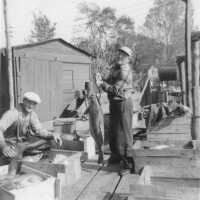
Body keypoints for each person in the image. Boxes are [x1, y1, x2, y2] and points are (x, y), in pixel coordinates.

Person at [96, 46, 134, 172]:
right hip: (114, 103)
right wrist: (101, 78)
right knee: (114, 131)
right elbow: (110, 80)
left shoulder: (125, 71)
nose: (119, 56)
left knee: (124, 132)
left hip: (123, 103)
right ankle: (116, 156)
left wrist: (101, 84)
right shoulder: (116, 68)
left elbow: (115, 90)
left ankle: (129, 162)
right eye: (119, 54)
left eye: (123, 55)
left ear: (128, 58)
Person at [0, 92, 62, 165]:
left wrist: (52, 135)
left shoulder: (32, 115)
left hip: (22, 145)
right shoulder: (12, 114)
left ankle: (30, 160)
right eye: (29, 102)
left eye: (34, 104)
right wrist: (4, 146)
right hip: (9, 145)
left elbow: (39, 130)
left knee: (50, 141)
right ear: (23, 101)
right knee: (14, 160)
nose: (31, 106)